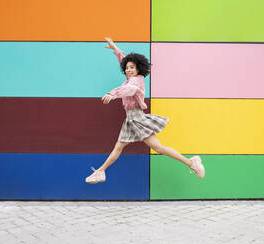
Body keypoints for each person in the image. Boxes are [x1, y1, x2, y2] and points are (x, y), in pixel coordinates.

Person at [85, 37, 205, 184]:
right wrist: (115, 49)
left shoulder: (136, 82)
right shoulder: (132, 77)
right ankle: (101, 171)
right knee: (122, 147)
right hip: (131, 120)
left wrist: (112, 93)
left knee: (156, 148)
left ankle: (191, 162)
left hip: (137, 119)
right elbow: (125, 60)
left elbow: (128, 89)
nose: (128, 70)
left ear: (138, 69)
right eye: (127, 68)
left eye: (131, 68)